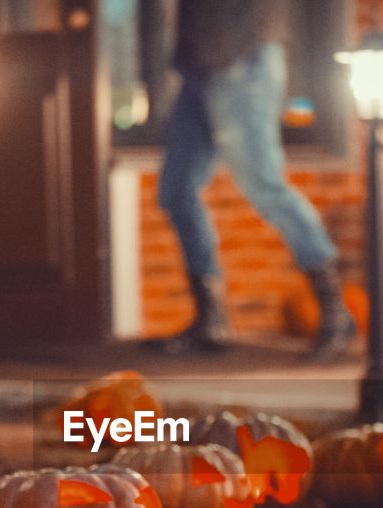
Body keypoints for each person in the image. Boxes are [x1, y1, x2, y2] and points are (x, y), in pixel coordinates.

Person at [153, 0, 355, 360]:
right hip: (197, 66)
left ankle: (335, 311)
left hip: (243, 59)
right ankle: (210, 320)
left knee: (263, 184)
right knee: (177, 189)